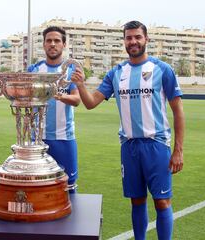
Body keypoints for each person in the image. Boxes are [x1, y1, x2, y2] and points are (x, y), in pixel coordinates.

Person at [71, 21, 184, 240]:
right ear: (124, 41)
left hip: (156, 145)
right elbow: (91, 102)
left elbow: (178, 111)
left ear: (146, 40)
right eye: (129, 38)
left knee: (162, 201)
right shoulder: (116, 72)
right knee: (137, 200)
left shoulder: (162, 69)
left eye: (137, 37)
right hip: (129, 147)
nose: (133, 41)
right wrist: (81, 85)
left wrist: (178, 150)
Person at [27, 26, 84, 193]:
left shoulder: (70, 71)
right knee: (37, 186)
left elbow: (77, 100)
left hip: (64, 139)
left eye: (57, 40)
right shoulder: (34, 70)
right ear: (44, 45)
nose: (53, 44)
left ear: (64, 44)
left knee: (68, 186)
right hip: (37, 139)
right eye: (49, 41)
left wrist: (59, 96)